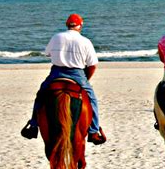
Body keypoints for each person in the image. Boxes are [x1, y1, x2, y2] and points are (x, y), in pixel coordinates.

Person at [21, 14, 107, 145]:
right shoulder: (85, 41)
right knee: (92, 99)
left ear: (67, 25)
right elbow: (92, 65)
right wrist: (86, 80)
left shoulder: (57, 37)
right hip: (77, 74)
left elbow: (48, 53)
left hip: (56, 72)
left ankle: (33, 126)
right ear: (80, 26)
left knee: (41, 94)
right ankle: (93, 131)